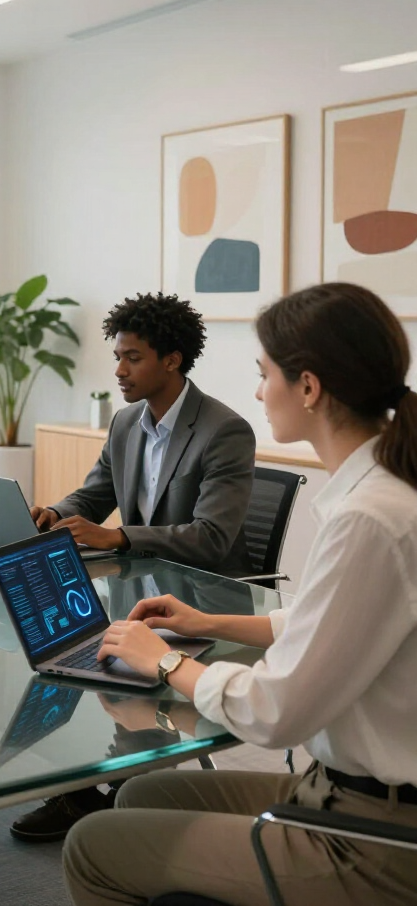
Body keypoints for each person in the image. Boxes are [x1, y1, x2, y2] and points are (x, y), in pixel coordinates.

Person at [64, 282, 417, 905]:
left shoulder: (371, 518)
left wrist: (166, 661)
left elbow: (276, 713)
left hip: (375, 836)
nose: (257, 391)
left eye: (264, 375)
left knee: (92, 845)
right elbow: (320, 622)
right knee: (142, 791)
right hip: (338, 789)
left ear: (308, 388)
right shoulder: (377, 497)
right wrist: (209, 621)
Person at [13, 291, 256, 842]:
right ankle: (84, 789)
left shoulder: (224, 430)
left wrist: (118, 536)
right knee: (56, 643)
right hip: (138, 591)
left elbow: (213, 538)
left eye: (133, 357)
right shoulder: (127, 422)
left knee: (96, 656)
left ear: (172, 359)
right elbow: (93, 497)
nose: (119, 370)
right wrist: (56, 513)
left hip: (206, 599)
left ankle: (125, 789)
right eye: (117, 356)